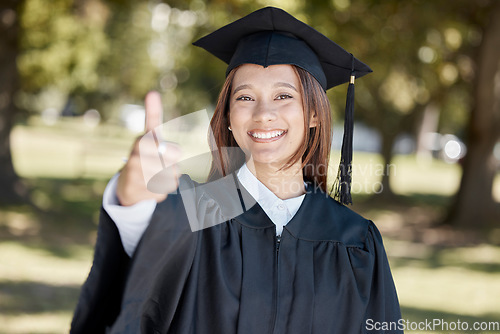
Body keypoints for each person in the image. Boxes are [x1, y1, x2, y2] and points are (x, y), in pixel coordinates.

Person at [71, 7, 402, 334]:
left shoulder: (355, 241)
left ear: (314, 113)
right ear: (229, 116)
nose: (263, 113)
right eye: (245, 98)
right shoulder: (195, 211)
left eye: (284, 95)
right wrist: (132, 197)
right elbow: (143, 243)